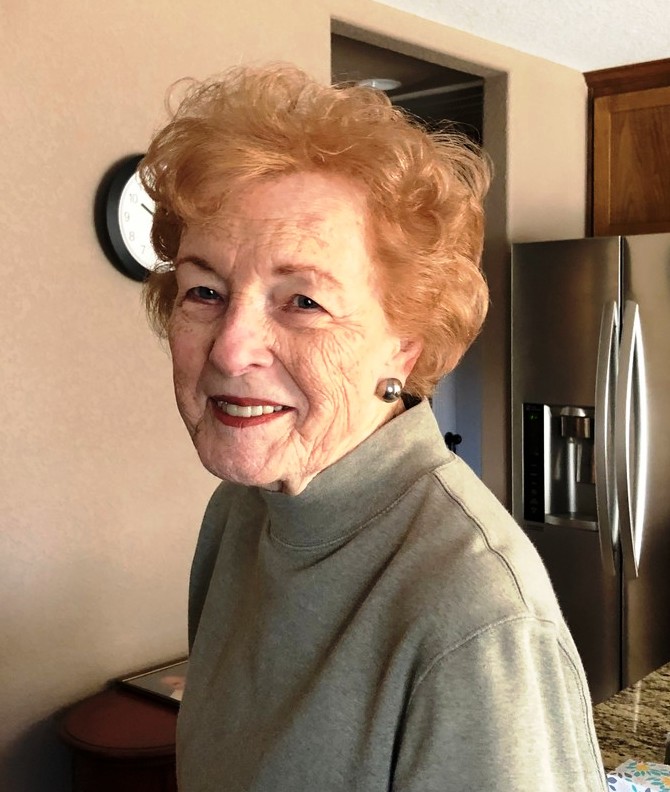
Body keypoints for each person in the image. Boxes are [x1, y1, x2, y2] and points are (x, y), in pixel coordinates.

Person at [140, 64, 606, 791]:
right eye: (205, 291)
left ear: (404, 348)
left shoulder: (479, 619)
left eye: (303, 302)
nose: (231, 349)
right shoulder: (239, 514)